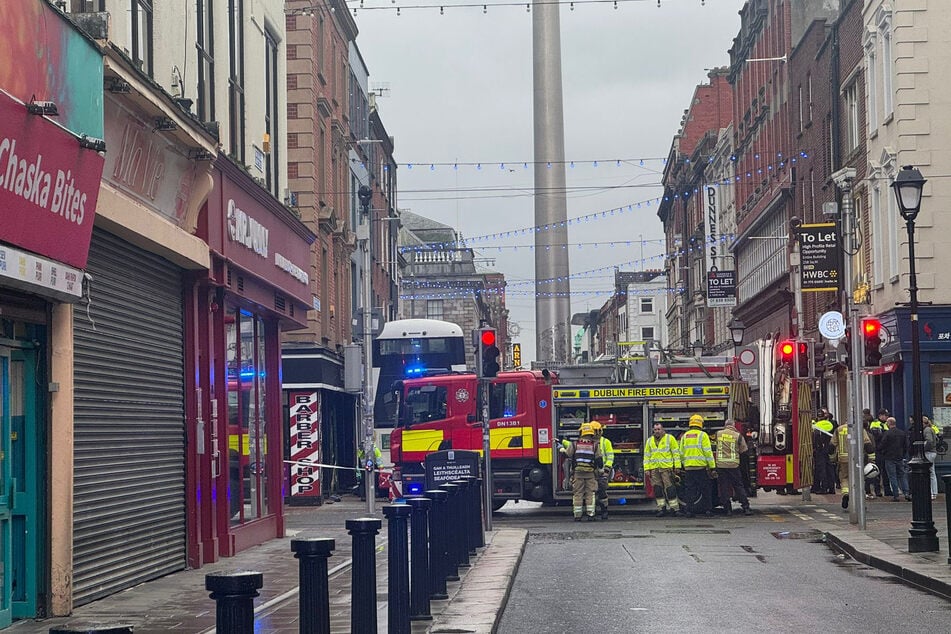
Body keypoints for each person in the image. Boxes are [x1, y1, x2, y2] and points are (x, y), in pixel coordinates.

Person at [829, 419, 873, 510]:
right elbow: (868, 445)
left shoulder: (839, 429)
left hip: (843, 459)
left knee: (845, 478)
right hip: (858, 459)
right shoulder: (860, 429)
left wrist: (832, 458)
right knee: (859, 480)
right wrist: (872, 458)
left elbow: (832, 446)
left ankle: (846, 494)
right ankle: (860, 502)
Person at [562, 422, 602, 521]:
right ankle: (590, 514)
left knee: (578, 494)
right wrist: (600, 469)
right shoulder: (595, 445)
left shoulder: (575, 444)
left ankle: (577, 516)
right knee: (590, 494)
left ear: (581, 432)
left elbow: (568, 454)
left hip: (578, 474)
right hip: (590, 474)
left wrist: (561, 449)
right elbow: (599, 460)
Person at [680, 414, 716, 518]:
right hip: (700, 468)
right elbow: (708, 452)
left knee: (689, 490)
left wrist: (684, 465)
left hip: (688, 468)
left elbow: (681, 452)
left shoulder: (685, 436)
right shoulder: (703, 435)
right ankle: (708, 510)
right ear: (700, 424)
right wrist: (712, 467)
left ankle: (689, 511)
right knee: (705, 489)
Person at [644, 422, 683, 517]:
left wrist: (677, 466)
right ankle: (661, 508)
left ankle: (675, 509)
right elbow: (647, 456)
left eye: (659, 429)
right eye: (655, 429)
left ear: (663, 430)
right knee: (657, 489)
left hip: (666, 468)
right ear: (653, 430)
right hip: (654, 469)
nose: (657, 431)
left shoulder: (670, 439)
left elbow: (676, 453)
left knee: (670, 489)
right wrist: (647, 469)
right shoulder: (649, 441)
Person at [715, 418, 752, 516]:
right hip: (733, 465)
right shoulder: (738, 436)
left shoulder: (718, 434)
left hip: (721, 465)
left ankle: (728, 510)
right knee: (738, 486)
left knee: (724, 487)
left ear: (725, 425)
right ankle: (745, 507)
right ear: (733, 425)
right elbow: (744, 450)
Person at [877, 417, 911, 502]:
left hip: (889, 457)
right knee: (902, 475)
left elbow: (882, 445)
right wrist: (903, 454)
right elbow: (906, 445)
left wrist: (881, 451)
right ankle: (906, 493)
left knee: (892, 476)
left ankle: (896, 495)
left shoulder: (887, 434)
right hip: (899, 457)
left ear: (889, 423)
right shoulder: (902, 433)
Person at [590, 421, 615, 520]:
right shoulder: (589, 442)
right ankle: (592, 512)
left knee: (602, 491)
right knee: (591, 492)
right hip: (591, 470)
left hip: (602, 471)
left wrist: (607, 469)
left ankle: (604, 511)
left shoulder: (605, 442)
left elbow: (610, 456)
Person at [811, 408, 836, 495]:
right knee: (829, 468)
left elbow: (816, 438)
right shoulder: (831, 424)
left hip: (820, 450)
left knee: (821, 469)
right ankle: (831, 488)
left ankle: (823, 488)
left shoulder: (816, 425)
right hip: (829, 448)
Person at [870, 409, 890, 497]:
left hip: (886, 451)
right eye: (885, 415)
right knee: (877, 472)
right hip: (878, 451)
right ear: (880, 416)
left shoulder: (887, 424)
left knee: (886, 472)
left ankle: (887, 490)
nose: (886, 417)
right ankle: (877, 490)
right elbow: (877, 437)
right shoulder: (875, 424)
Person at [923, 416, 940, 500]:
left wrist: (923, 448)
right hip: (932, 452)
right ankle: (934, 492)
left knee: (929, 473)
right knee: (932, 472)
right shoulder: (931, 429)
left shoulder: (927, 430)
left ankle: (932, 492)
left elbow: (929, 441)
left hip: (929, 453)